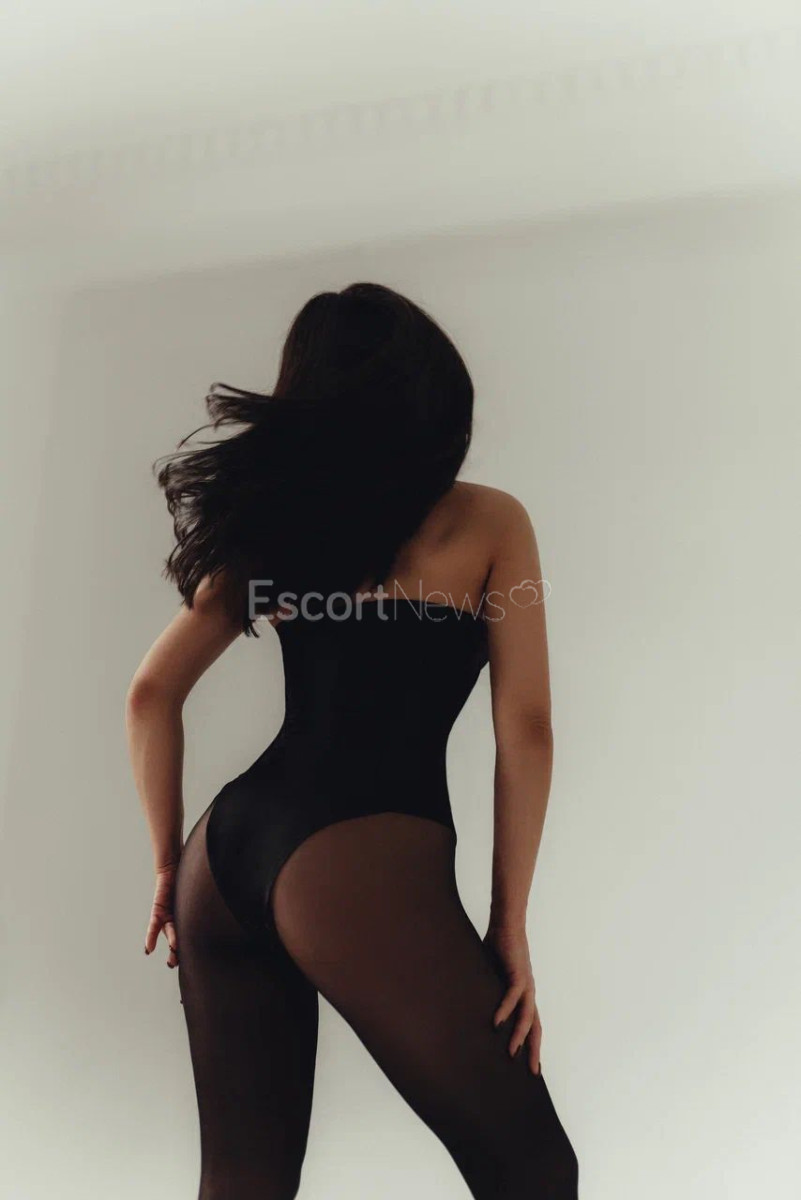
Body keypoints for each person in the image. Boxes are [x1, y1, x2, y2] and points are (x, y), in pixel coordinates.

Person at [125, 282, 579, 1199]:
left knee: (243, 1183)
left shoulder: (277, 525)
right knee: (534, 1173)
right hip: (351, 856)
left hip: (226, 854)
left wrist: (169, 864)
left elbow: (150, 693)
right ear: (433, 392)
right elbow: (524, 731)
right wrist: (509, 925)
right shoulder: (490, 521)